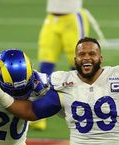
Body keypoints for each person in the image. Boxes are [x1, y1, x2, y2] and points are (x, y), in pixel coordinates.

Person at [31, 0, 105, 131]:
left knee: (81, 66)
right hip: (51, 18)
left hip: (72, 17)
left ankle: (89, 109)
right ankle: (40, 115)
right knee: (45, 66)